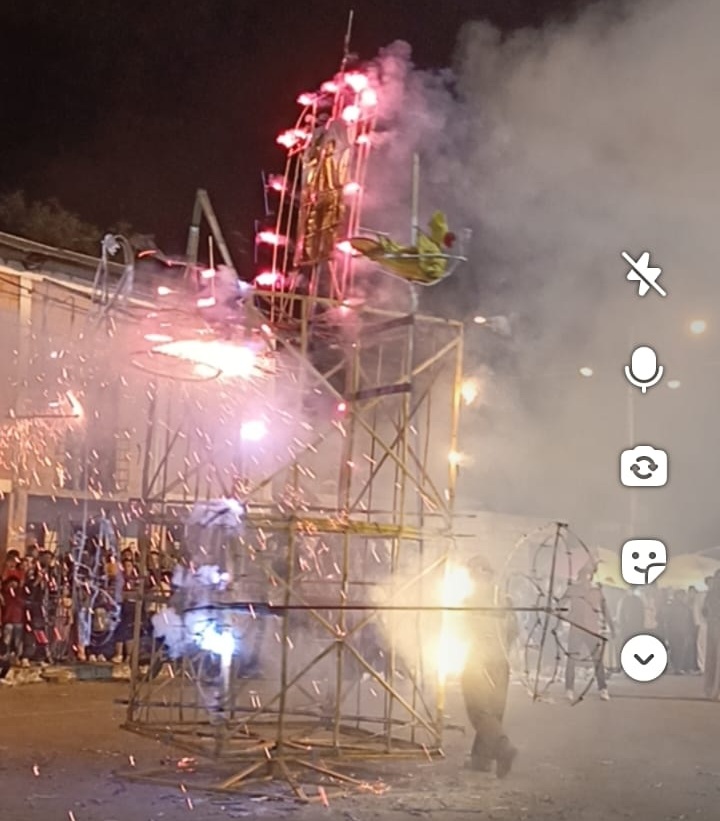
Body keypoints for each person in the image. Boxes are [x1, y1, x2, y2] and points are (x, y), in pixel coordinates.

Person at [460, 556, 518, 778]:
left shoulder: (471, 599)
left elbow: (463, 629)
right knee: (494, 710)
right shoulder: (506, 599)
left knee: (479, 710)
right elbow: (514, 631)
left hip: (479, 660)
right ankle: (481, 760)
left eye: (473, 572)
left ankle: (503, 748)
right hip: (501, 661)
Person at [562, 565, 611, 701]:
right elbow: (561, 603)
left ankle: (603, 688)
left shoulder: (596, 591)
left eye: (588, 576)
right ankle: (569, 689)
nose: (585, 579)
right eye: (583, 576)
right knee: (571, 659)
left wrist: (611, 626)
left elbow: (605, 609)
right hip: (577, 628)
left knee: (597, 659)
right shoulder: (573, 589)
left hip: (591, 629)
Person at [666, 590, 695, 674]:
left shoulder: (685, 608)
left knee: (680, 650)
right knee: (676, 650)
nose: (682, 597)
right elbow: (668, 620)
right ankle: (677, 668)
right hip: (676, 631)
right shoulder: (673, 607)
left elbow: (689, 621)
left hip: (681, 631)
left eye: (683, 595)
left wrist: (689, 631)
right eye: (680, 595)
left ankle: (678, 667)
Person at [702, 571, 720, 699]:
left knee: (711, 658)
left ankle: (711, 690)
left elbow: (704, 611)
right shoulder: (712, 594)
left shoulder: (710, 594)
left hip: (712, 626)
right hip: (715, 625)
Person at [616, 588, 645, 653]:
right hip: (637, 629)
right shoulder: (639, 600)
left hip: (626, 629)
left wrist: (621, 628)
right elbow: (642, 616)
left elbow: (620, 617)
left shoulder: (623, 600)